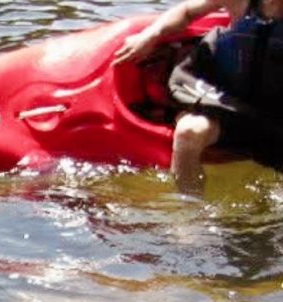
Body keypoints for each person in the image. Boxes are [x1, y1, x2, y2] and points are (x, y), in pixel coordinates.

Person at [113, 0, 283, 194]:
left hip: (276, 111)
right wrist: (152, 34)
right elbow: (186, 12)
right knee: (189, 132)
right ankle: (191, 211)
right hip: (229, 102)